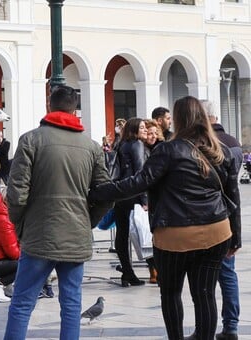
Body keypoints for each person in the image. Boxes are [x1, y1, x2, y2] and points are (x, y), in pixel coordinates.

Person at [89, 96, 241, 340]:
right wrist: (236, 237)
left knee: (170, 293)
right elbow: (233, 194)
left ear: (178, 120)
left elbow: (138, 183)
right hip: (217, 231)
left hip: (175, 234)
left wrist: (98, 192)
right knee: (205, 294)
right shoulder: (220, 150)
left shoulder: (168, 150)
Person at [4, 85, 111, 340]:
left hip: (39, 234)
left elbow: (16, 193)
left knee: (22, 302)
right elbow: (107, 195)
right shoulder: (92, 147)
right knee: (72, 304)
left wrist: (20, 226)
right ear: (75, 109)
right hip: (75, 235)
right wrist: (88, 221)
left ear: (49, 105)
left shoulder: (31, 140)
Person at [201, 99, 242, 340]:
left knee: (204, 280)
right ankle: (231, 326)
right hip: (227, 218)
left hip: (207, 219)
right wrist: (237, 235)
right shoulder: (234, 143)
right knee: (228, 275)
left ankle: (205, 326)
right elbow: (233, 190)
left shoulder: (204, 144)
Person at [111, 117, 148, 287]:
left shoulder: (121, 143)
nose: (145, 130)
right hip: (133, 193)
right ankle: (146, 270)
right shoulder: (137, 144)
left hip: (120, 192)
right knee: (140, 231)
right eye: (142, 127)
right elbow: (140, 171)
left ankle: (127, 271)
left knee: (122, 233)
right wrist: (144, 199)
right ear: (134, 130)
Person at [143, 118, 164, 284]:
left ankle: (159, 269)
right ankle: (153, 270)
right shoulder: (141, 150)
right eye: (149, 133)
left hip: (159, 200)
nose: (152, 136)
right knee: (147, 237)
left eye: (155, 133)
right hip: (147, 200)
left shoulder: (162, 149)